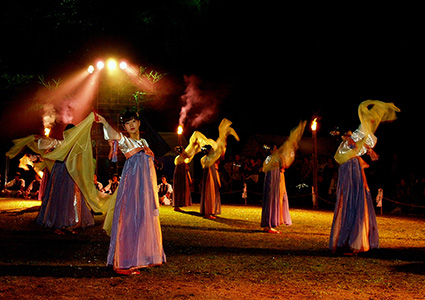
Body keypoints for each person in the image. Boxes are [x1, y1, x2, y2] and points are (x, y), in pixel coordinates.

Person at [95, 110, 166, 275]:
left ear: (139, 122)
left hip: (145, 188)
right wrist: (105, 123)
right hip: (132, 185)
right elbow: (114, 135)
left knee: (143, 218)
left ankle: (142, 257)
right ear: (124, 127)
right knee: (128, 218)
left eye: (134, 121)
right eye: (127, 123)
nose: (131, 125)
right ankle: (123, 262)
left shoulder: (144, 141)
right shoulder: (125, 141)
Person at [330, 100, 400, 254]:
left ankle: (353, 240)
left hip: (353, 168)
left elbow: (360, 145)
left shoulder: (365, 136)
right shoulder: (356, 134)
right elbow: (349, 141)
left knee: (357, 199)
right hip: (349, 168)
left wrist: (369, 152)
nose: (374, 121)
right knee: (351, 199)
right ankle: (348, 240)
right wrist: (348, 139)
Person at [36, 124, 95, 235]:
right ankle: (58, 225)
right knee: (59, 197)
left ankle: (69, 223)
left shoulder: (75, 146)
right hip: (60, 172)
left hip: (71, 173)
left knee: (71, 198)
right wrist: (41, 139)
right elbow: (48, 143)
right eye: (69, 133)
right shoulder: (61, 143)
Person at [261, 121, 306, 233]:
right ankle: (269, 225)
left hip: (274, 180)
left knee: (273, 200)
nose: (277, 150)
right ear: (272, 150)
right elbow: (283, 165)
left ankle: (269, 223)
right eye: (275, 149)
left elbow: (284, 163)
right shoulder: (272, 158)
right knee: (271, 200)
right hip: (272, 181)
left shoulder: (270, 158)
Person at [172, 146, 192, 211]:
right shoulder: (179, 159)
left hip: (181, 174)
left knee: (181, 188)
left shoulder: (181, 159)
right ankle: (177, 205)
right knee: (179, 188)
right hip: (180, 175)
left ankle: (179, 204)